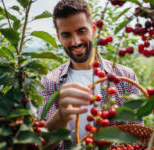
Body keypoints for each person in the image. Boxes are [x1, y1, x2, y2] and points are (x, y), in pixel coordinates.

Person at [37, 0, 141, 149]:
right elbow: (42, 146)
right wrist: (60, 118)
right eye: (66, 35)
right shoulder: (49, 82)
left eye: (81, 31)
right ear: (59, 37)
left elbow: (139, 138)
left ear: (93, 29)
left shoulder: (125, 77)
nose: (76, 41)